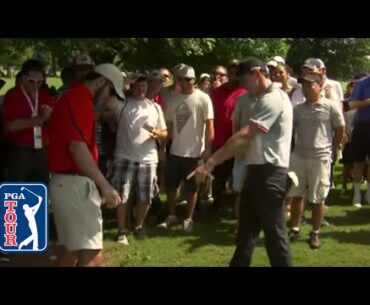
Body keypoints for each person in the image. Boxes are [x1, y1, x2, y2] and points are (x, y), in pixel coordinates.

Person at [189, 57, 293, 266]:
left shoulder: (273, 98)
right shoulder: (260, 98)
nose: (243, 87)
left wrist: (210, 163)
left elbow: (245, 136)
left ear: (256, 74)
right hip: (256, 173)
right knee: (246, 233)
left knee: (275, 236)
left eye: (244, 81)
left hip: (271, 175)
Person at [48, 63, 123, 267]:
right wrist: (105, 185)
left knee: (71, 250)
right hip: (74, 183)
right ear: (100, 82)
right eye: (109, 93)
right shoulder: (79, 99)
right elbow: (77, 148)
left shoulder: (76, 98)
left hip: (68, 182)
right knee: (92, 255)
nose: (109, 100)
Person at [287, 72, 345, 249]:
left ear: (320, 86)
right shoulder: (297, 109)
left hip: (320, 158)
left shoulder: (330, 106)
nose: (305, 89)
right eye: (303, 85)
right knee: (296, 195)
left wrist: (332, 150)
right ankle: (295, 228)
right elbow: (289, 131)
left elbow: (340, 129)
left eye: (310, 85)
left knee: (318, 199)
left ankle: (315, 232)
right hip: (299, 156)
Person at [158, 65, 214, 233]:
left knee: (191, 188)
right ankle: (171, 215)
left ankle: (188, 219)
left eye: (188, 79)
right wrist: (162, 146)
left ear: (194, 80)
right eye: (181, 79)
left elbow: (209, 124)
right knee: (171, 186)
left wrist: (208, 147)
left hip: (195, 151)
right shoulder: (172, 99)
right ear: (177, 80)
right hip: (175, 150)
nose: (185, 82)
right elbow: (167, 126)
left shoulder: (203, 98)